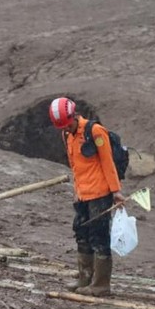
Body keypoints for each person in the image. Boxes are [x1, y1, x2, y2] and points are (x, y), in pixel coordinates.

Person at [49, 97, 126, 296]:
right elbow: (75, 166)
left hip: (100, 193)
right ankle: (84, 277)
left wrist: (116, 191)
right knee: (81, 233)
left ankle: (101, 284)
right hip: (83, 194)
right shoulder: (67, 135)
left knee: (99, 236)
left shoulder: (95, 131)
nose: (65, 129)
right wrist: (77, 191)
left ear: (74, 115)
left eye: (67, 125)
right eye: (62, 127)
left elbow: (107, 162)